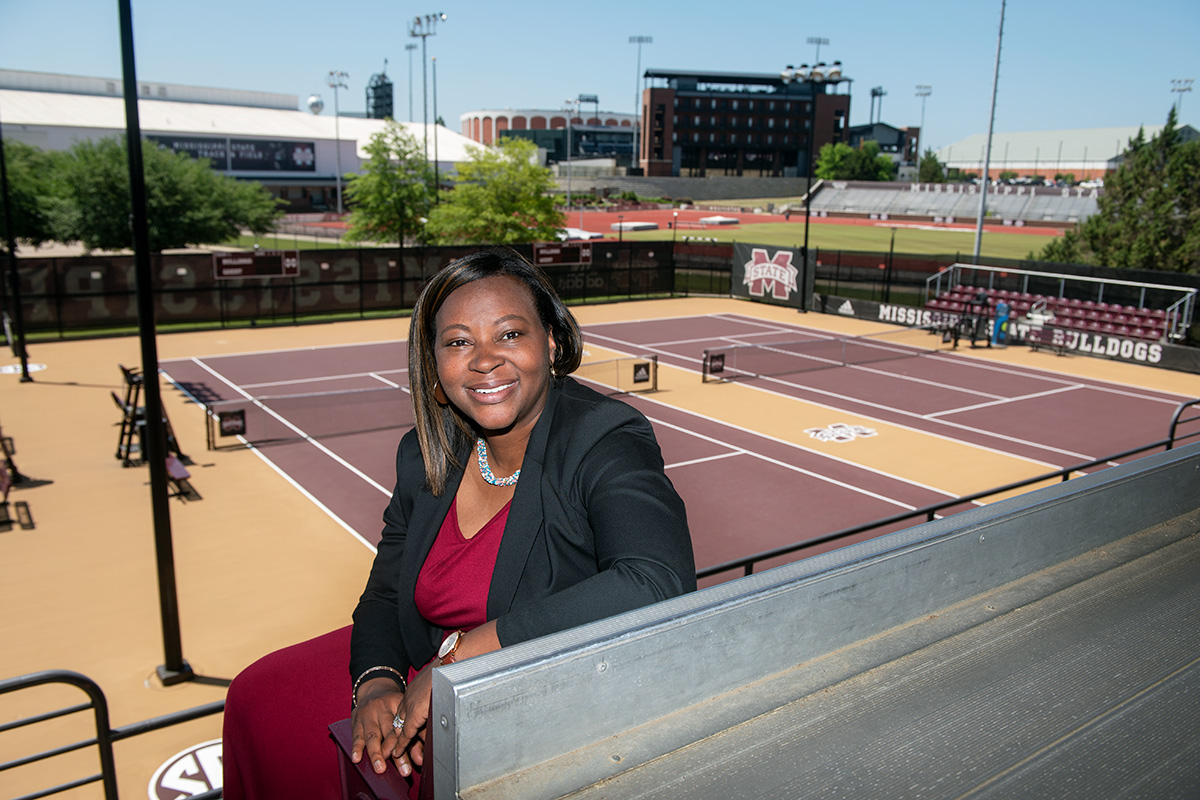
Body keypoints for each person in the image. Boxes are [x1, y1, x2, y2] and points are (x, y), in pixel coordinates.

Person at [222, 249, 695, 799]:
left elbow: (656, 579)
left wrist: (465, 655)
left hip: (544, 686)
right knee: (258, 697)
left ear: (552, 342)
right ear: (435, 365)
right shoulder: (425, 451)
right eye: (459, 341)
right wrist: (376, 680)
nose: (484, 360)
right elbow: (387, 587)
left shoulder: (605, 439)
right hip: (424, 650)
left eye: (510, 334)